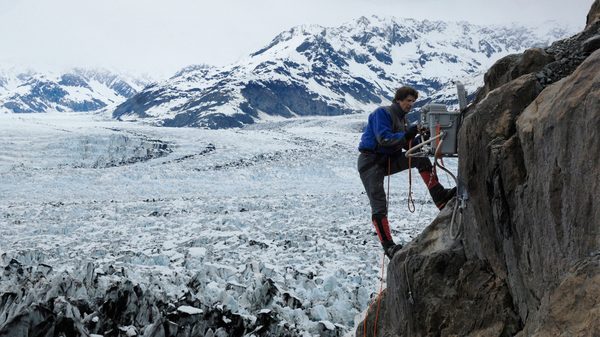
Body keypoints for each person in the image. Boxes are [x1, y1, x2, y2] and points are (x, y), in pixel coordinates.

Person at [357, 86, 456, 259]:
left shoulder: (402, 120)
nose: (411, 104)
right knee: (379, 203)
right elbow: (384, 138)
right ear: (398, 100)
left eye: (413, 102)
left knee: (419, 158)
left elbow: (408, 146)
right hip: (370, 162)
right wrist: (408, 134)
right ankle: (388, 246)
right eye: (408, 101)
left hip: (386, 160)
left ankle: (440, 197)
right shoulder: (383, 113)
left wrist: (422, 138)